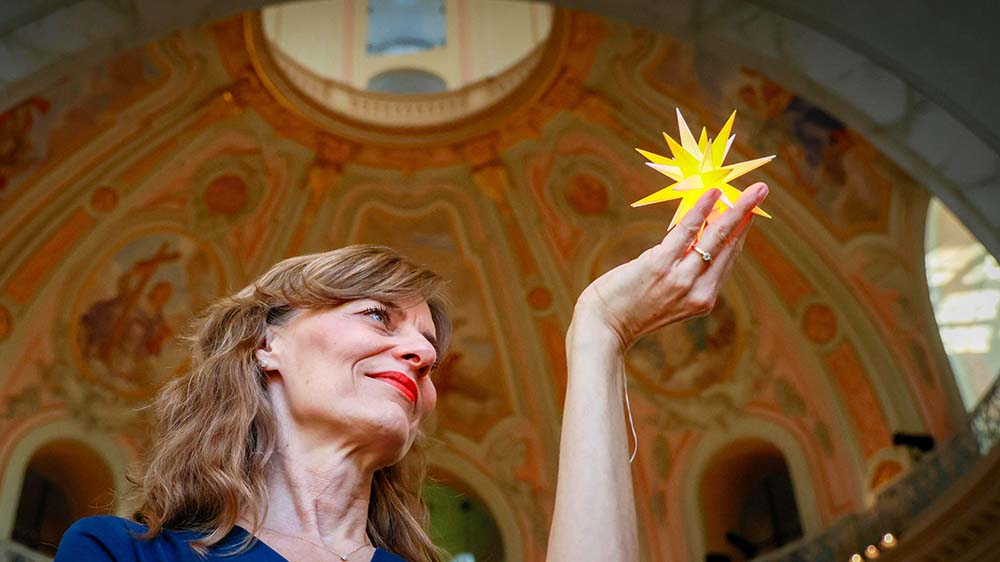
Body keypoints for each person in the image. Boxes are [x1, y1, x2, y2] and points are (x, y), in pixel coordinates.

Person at [55, 183, 768, 561]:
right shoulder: (118, 554)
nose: (423, 356)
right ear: (265, 345)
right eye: (376, 316)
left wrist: (599, 335)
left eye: (429, 347)